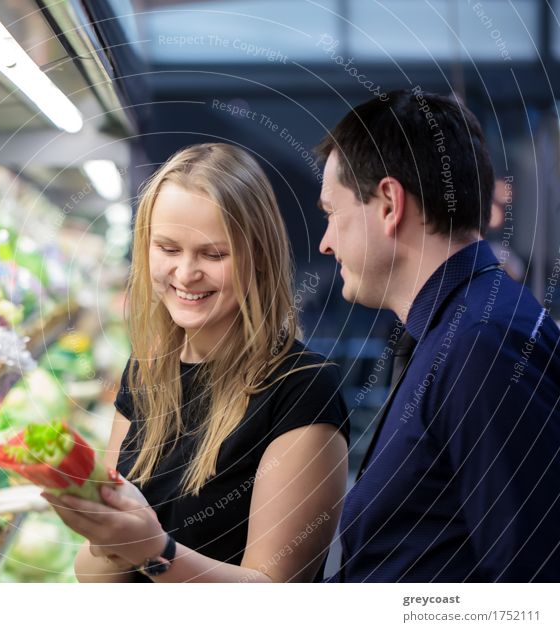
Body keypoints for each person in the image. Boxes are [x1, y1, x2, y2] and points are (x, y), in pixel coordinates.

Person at [44, 143, 350, 582]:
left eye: (213, 255)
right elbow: (98, 573)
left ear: (258, 256)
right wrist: (99, 531)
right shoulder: (146, 371)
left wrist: (152, 550)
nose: (186, 274)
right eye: (168, 249)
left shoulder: (303, 389)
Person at [315, 89, 560, 581]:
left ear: (388, 203)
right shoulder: (460, 330)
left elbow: (531, 588)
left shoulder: (482, 344)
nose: (325, 242)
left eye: (331, 213)